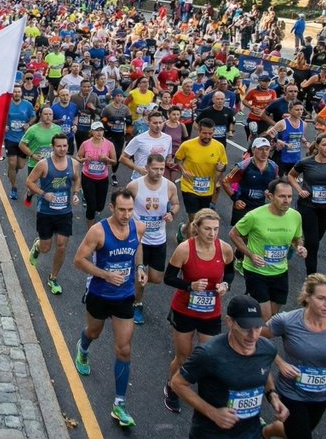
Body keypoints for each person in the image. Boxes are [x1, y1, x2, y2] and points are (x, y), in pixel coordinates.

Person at [70, 188, 147, 428]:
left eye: (130, 210)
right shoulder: (98, 232)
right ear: (112, 208)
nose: (126, 214)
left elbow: (137, 248)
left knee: (124, 349)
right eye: (122, 210)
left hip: (124, 296)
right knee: (94, 332)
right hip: (99, 293)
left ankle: (119, 404)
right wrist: (105, 274)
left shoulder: (138, 227)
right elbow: (78, 260)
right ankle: (83, 347)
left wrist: (141, 268)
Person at [169, 295, 289, 438]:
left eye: (257, 327)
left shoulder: (267, 349)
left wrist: (273, 396)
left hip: (251, 433)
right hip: (211, 434)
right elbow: (177, 383)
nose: (253, 335)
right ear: (230, 322)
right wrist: (212, 412)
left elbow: (263, 371)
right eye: (245, 327)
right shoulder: (209, 354)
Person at [262, 274, 326, 439]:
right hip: (290, 392)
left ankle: (267, 431)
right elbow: (257, 337)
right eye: (321, 298)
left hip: (321, 395)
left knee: (299, 431)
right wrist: (279, 362)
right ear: (307, 297)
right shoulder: (287, 320)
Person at [163, 208, 236, 414]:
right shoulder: (185, 249)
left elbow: (230, 272)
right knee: (183, 356)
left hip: (210, 312)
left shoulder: (224, 249)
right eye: (207, 229)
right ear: (196, 228)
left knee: (210, 356)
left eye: (215, 229)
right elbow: (169, 278)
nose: (212, 234)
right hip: (184, 310)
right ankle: (172, 387)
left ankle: (208, 399)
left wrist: (225, 286)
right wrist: (189, 286)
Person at [229, 180, 306, 322]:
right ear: (270, 196)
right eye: (282, 196)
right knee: (265, 316)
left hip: (280, 271)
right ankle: (244, 335)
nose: (286, 200)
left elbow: (297, 238)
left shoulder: (295, 216)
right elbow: (234, 234)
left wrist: (299, 246)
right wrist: (250, 255)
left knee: (272, 318)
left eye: (289, 196)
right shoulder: (254, 216)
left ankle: (250, 333)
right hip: (256, 271)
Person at [124, 154, 179, 325]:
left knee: (155, 278)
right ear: (147, 167)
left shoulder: (169, 186)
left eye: (162, 169)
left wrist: (172, 213)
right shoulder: (134, 186)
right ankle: (136, 303)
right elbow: (123, 204)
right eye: (155, 168)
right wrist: (130, 220)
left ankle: (133, 279)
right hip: (139, 238)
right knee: (141, 276)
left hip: (158, 238)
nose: (159, 172)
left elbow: (176, 204)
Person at [26, 135, 81, 295]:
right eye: (59, 146)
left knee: (62, 245)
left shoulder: (74, 163)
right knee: (45, 248)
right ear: (52, 147)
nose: (63, 149)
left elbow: (77, 179)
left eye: (65, 146)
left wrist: (76, 193)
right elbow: (29, 182)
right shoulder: (43, 165)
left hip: (65, 212)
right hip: (46, 212)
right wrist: (44, 194)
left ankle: (53, 277)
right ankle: (37, 246)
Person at [287, 134, 326, 275]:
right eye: (325, 145)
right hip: (307, 206)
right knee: (313, 244)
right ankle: (311, 276)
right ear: (317, 145)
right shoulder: (306, 162)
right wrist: (299, 190)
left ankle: (293, 244)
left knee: (316, 239)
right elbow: (291, 176)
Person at [174, 119, 229, 228]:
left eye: (210, 133)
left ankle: (183, 229)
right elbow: (177, 159)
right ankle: (192, 244)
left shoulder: (219, 147)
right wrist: (183, 170)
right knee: (194, 219)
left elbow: (224, 165)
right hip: (189, 186)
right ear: (198, 131)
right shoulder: (187, 145)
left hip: (207, 189)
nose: (207, 136)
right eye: (204, 133)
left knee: (201, 220)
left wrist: (221, 168)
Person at [76, 121, 117, 226]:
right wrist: (84, 159)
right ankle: (90, 230)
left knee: (100, 206)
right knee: (91, 206)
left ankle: (89, 201)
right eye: (96, 130)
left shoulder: (109, 144)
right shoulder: (86, 144)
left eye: (101, 130)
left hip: (102, 179)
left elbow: (115, 161)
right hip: (88, 177)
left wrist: (106, 159)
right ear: (92, 132)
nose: (99, 133)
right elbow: (78, 157)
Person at [4, 86, 36, 200]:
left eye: (19, 92)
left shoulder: (27, 105)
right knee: (12, 163)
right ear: (12, 93)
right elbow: (1, 117)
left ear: (21, 93)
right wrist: (5, 126)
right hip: (10, 137)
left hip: (23, 139)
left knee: (21, 165)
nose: (17, 94)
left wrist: (29, 124)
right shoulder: (6, 104)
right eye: (15, 92)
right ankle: (13, 188)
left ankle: (13, 170)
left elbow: (33, 117)